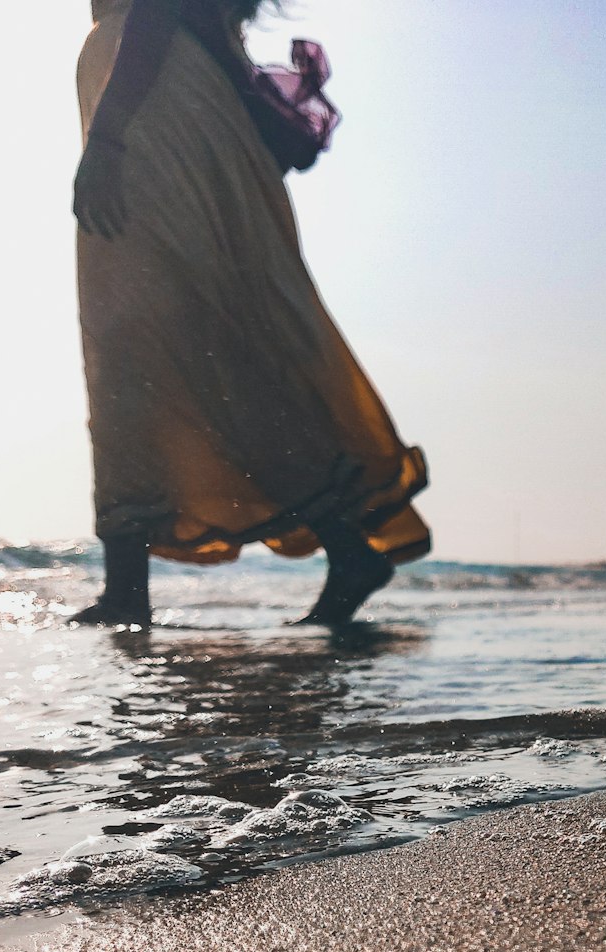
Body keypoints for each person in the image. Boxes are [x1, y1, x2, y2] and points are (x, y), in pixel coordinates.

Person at [71, 0, 430, 627]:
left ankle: (133, 588)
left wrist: (105, 138)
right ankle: (129, 585)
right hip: (161, 117)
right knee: (152, 347)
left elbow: (152, 11)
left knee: (148, 346)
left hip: (152, 123)